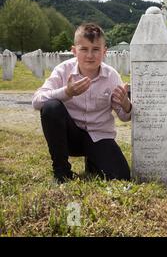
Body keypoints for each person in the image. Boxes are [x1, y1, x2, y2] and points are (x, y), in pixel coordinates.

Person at [32, 23, 132, 183]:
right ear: (74, 51)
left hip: (99, 136)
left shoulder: (112, 76)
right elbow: (37, 101)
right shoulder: (63, 70)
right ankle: (61, 172)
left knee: (122, 177)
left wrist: (126, 105)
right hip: (70, 137)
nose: (90, 55)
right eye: (84, 49)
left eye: (96, 49)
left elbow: (123, 116)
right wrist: (67, 92)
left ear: (104, 51)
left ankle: (93, 161)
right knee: (51, 107)